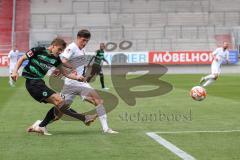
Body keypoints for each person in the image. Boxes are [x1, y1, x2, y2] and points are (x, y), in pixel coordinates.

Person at [36, 30, 118, 135]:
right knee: (58, 114)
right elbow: (63, 59)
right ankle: (40, 125)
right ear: (78, 37)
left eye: (87, 41)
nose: (84, 43)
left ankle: (106, 129)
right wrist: (66, 69)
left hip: (79, 83)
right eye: (83, 40)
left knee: (98, 101)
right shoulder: (72, 47)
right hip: (70, 83)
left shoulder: (82, 50)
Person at [11, 38, 97, 135]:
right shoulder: (38, 50)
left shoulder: (56, 59)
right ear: (53, 46)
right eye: (59, 49)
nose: (60, 52)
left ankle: (40, 126)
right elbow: (22, 58)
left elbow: (65, 73)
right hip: (32, 83)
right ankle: (84, 118)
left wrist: (77, 77)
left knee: (60, 107)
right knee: (60, 101)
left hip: (39, 83)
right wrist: (15, 71)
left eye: (62, 51)